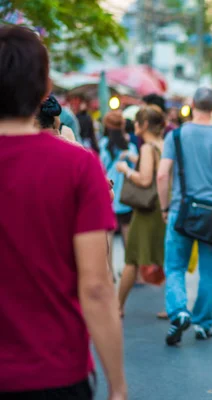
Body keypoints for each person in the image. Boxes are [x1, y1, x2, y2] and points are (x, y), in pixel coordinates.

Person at [0, 25, 126, 399]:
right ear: (44, 89)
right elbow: (97, 286)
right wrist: (118, 387)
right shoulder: (78, 166)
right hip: (55, 372)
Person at [157, 88, 212, 345]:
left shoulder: (176, 136)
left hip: (180, 211)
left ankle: (179, 311)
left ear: (192, 104)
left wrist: (165, 208)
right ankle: (203, 324)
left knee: (175, 267)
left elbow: (163, 175)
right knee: (209, 270)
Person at [116, 106, 167, 317]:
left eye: (136, 122)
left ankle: (117, 306)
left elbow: (146, 180)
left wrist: (126, 170)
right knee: (166, 257)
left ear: (144, 125)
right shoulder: (164, 144)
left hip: (148, 209)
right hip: (163, 206)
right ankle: (172, 305)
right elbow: (157, 171)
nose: (134, 126)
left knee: (132, 258)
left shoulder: (147, 148)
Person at [99, 110, 139, 279]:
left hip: (108, 193)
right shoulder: (130, 145)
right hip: (127, 196)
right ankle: (133, 273)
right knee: (127, 234)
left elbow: (101, 167)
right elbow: (139, 164)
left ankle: (109, 272)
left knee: (108, 234)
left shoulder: (104, 144)